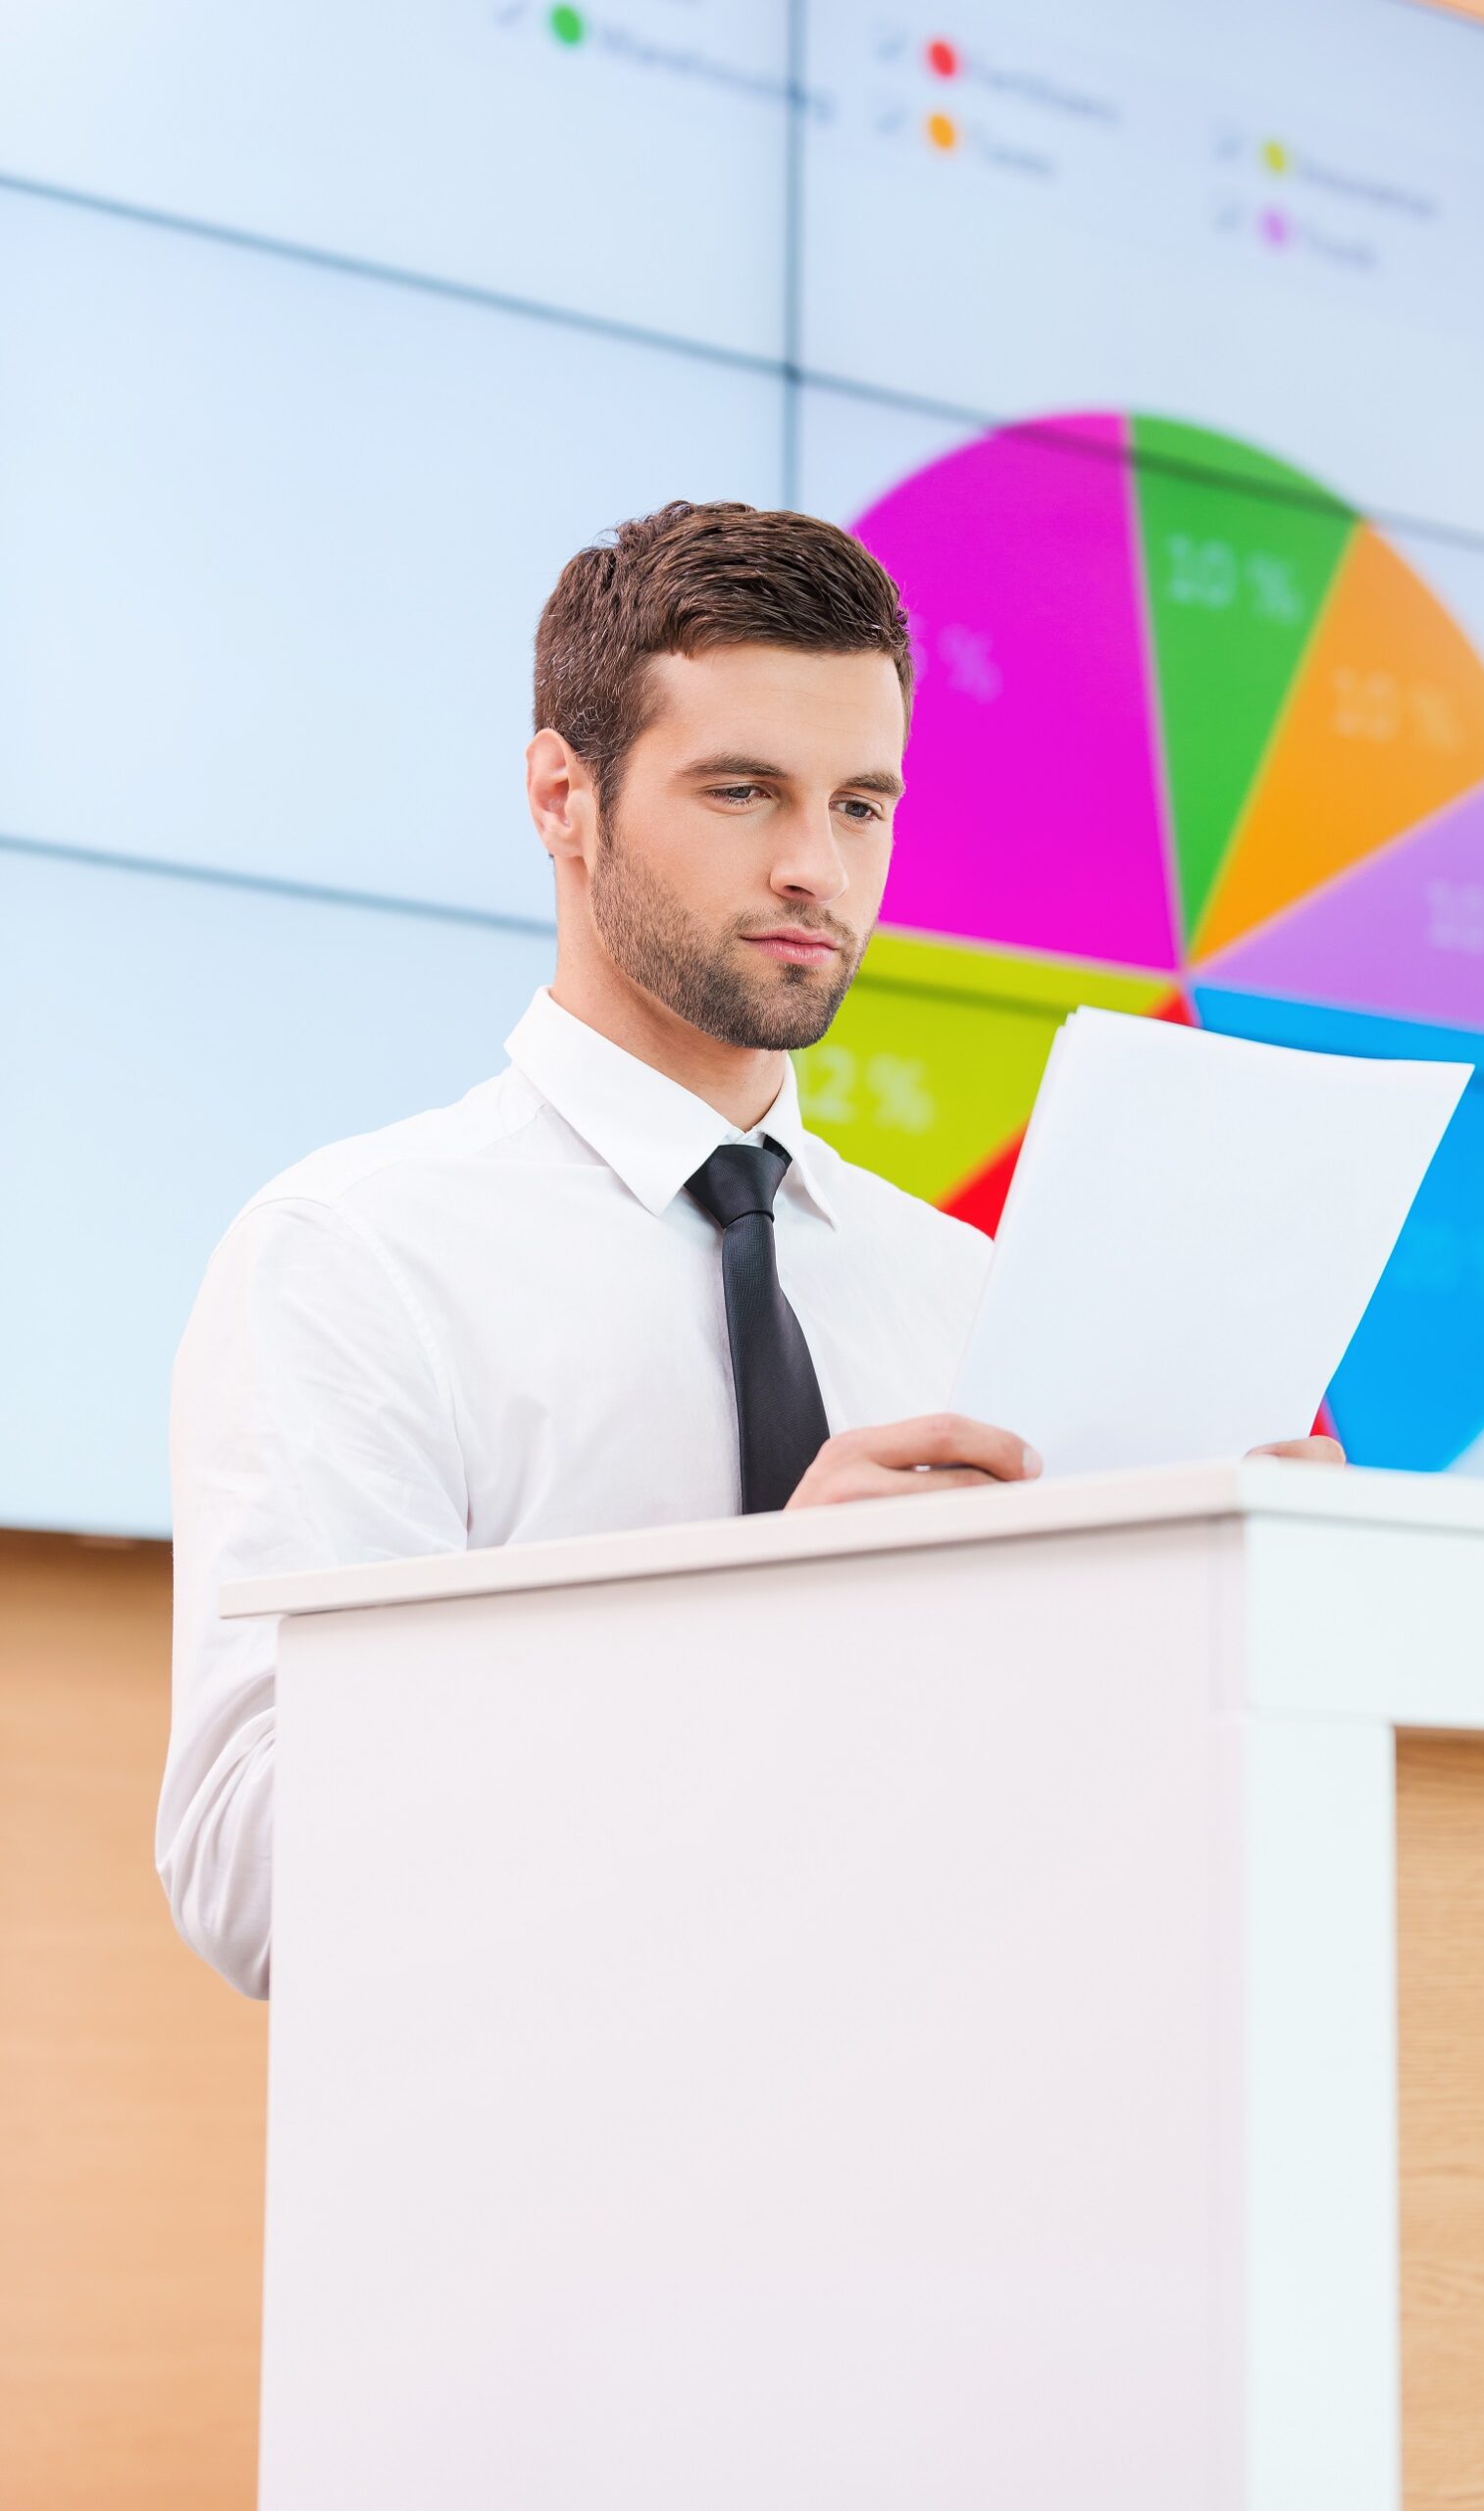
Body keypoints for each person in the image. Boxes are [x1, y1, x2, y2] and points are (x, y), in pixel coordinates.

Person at [158, 499, 1341, 1997]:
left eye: (859, 805)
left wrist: (1250, 1629)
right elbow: (255, 1874)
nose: (816, 870)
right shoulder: (354, 1259)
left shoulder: (959, 1293)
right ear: (559, 797)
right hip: (547, 2189)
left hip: (957, 2153)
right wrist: (755, 1640)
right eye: (741, 791)